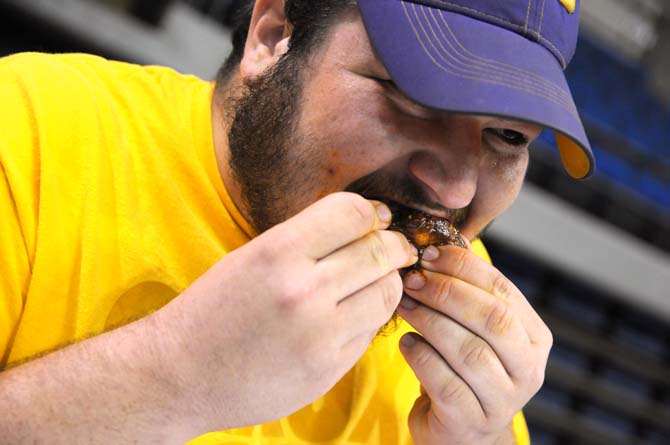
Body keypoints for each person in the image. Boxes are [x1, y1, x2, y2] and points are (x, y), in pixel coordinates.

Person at [0, 0, 594, 443]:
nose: (455, 188)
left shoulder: (460, 332)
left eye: (508, 137)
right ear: (274, 35)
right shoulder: (30, 131)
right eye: (414, 99)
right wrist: (174, 375)